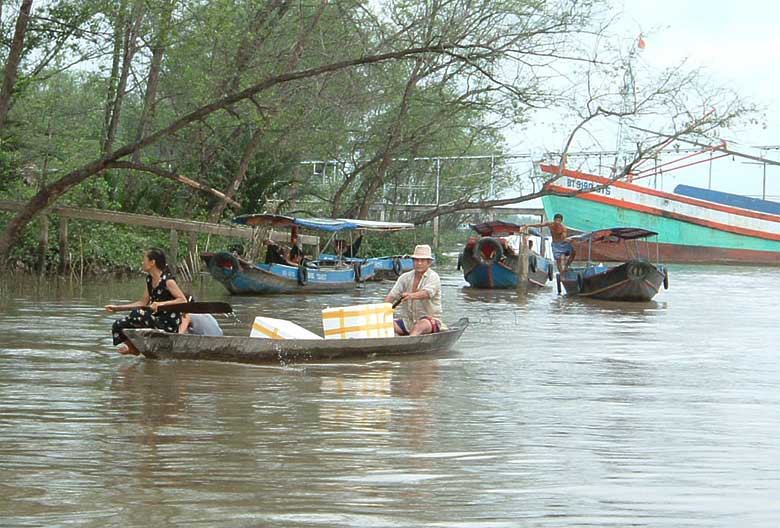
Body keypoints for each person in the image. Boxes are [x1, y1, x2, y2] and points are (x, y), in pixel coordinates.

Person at [105, 247, 187, 355]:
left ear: (152, 262)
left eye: (144, 260)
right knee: (118, 325)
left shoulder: (168, 281)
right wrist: (118, 308)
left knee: (137, 314)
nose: (142, 262)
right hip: (154, 319)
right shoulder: (149, 279)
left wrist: (160, 304)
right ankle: (133, 349)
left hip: (167, 324)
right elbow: (142, 303)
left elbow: (183, 300)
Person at [384, 244, 442, 336]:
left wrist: (411, 296)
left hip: (429, 321)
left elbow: (427, 293)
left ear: (429, 263)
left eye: (422, 260)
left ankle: (409, 341)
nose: (419, 263)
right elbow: (392, 296)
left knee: (419, 326)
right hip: (408, 323)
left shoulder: (433, 277)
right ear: (413, 261)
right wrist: (382, 310)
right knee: (385, 326)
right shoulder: (404, 277)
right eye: (416, 260)